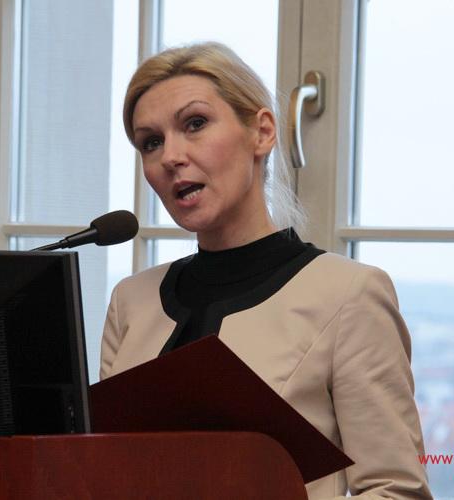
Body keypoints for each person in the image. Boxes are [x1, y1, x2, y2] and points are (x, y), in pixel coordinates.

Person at [100, 42, 432, 499]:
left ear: (262, 132)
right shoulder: (130, 301)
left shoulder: (349, 294)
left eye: (195, 124)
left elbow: (397, 491)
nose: (170, 156)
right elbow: (102, 472)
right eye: (150, 142)